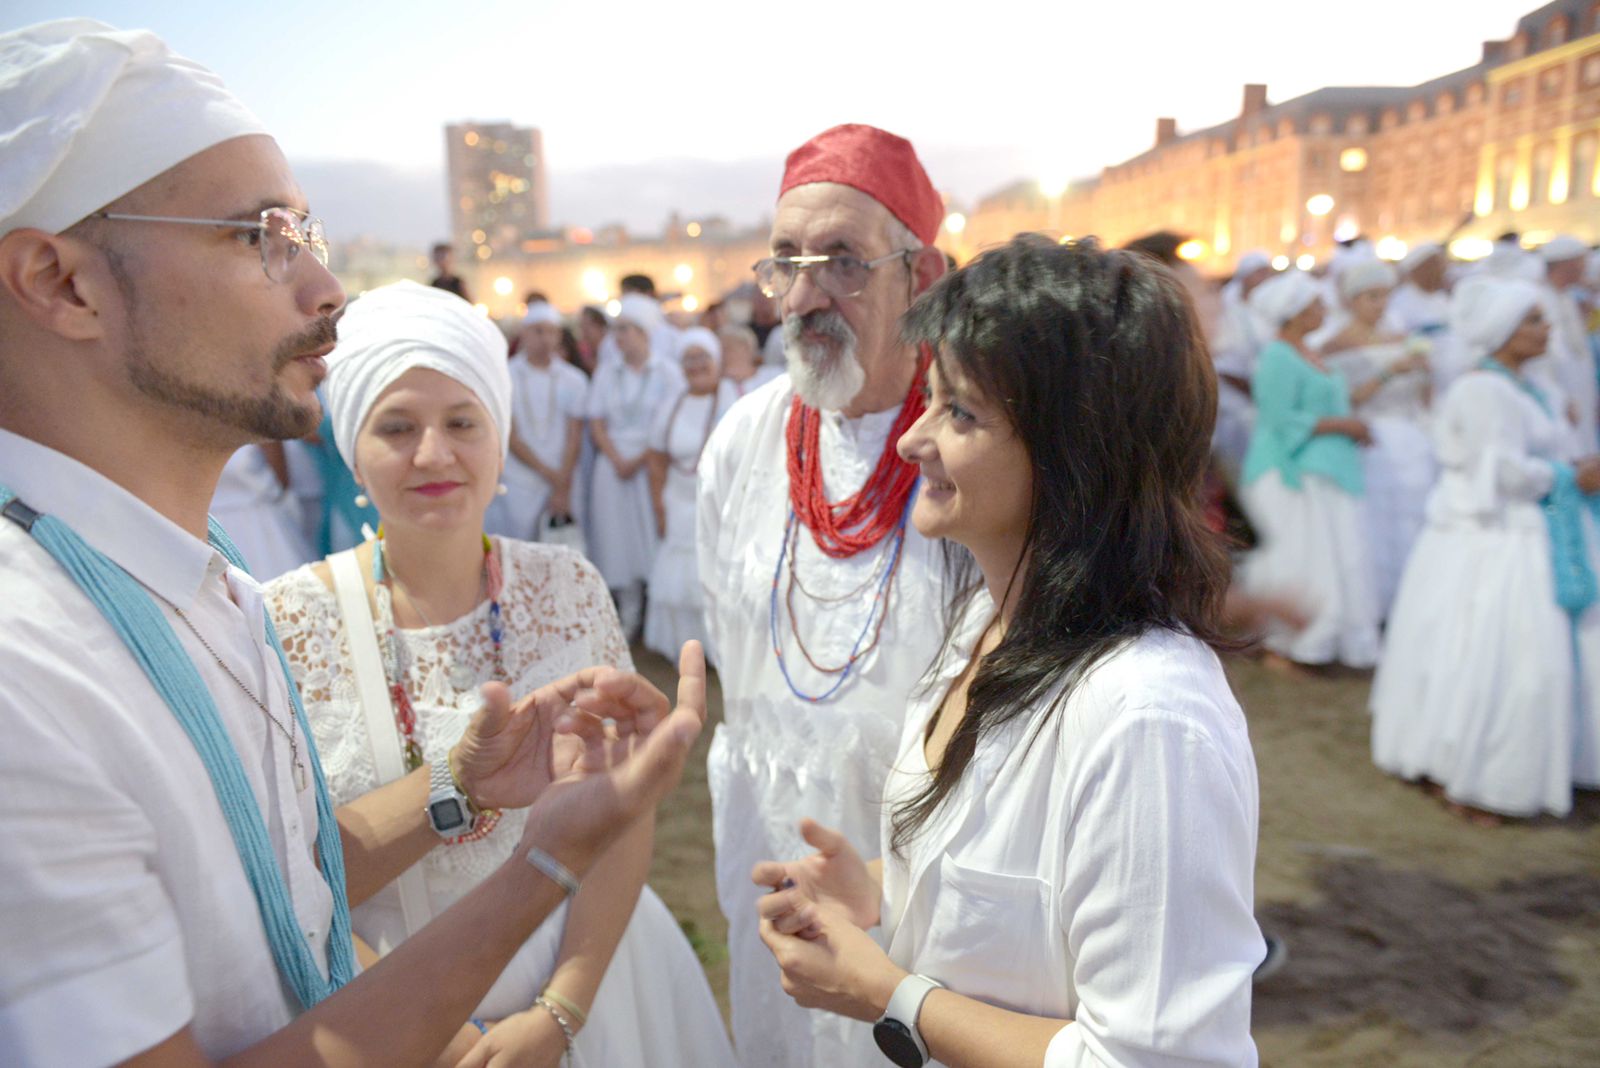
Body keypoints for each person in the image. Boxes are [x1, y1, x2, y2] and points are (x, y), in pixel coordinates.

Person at [0, 20, 704, 1066]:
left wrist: (460, 787)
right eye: (258, 236)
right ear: (64, 284)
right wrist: (539, 871)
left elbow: (287, 884)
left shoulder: (211, 591)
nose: (326, 292)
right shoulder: (29, 675)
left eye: (308, 234)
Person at [753, 236, 1261, 1067]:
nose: (913, 441)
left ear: (1073, 452)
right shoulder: (984, 623)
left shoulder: (1148, 719)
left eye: (960, 413)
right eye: (931, 401)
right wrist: (879, 887)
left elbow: (1156, 1059)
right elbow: (1022, 893)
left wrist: (887, 995)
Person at [264, 281, 735, 1065]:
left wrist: (561, 1012)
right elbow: (291, 881)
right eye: (397, 427)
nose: (433, 454)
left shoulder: (567, 586)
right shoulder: (288, 620)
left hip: (593, 981)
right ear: (353, 448)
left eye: (461, 423)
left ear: (498, 434)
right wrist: (438, 1034)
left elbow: (620, 814)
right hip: (392, 1007)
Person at [697, 123, 950, 1067]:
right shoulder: (743, 439)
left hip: (919, 845)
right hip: (766, 810)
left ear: (921, 277)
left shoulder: (969, 443)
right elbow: (726, 627)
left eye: (842, 261)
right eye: (787, 262)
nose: (805, 295)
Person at [1373, 276, 1600, 823]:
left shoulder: (1529, 387)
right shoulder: (1482, 390)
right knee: (1493, 657)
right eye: (1533, 321)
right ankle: (1470, 771)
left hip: (1534, 531)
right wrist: (1572, 474)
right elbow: (1496, 475)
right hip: (1491, 543)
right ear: (1502, 332)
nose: (1547, 331)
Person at [1237, 271, 1380, 668]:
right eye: (1315, 304)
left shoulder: (1309, 352)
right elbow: (1279, 419)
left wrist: (1353, 424)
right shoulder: (1277, 356)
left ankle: (1337, 642)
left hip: (1326, 468)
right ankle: (1285, 643)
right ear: (1294, 313)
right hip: (1289, 470)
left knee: (1336, 557)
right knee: (1298, 557)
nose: (1323, 310)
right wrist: (1342, 425)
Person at [1319, 258, 1436, 616]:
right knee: (1379, 523)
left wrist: (1423, 374)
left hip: (1411, 435)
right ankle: (1380, 606)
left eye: (1385, 296)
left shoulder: (1401, 336)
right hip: (1372, 437)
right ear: (1352, 300)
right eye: (1372, 297)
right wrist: (1389, 372)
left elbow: (1423, 395)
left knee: (1417, 515)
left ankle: (1417, 600)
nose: (1381, 304)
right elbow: (1346, 399)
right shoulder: (1336, 344)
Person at [589, 294, 686, 637]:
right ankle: (626, 611)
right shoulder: (606, 371)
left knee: (650, 534)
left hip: (651, 466)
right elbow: (596, 421)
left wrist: (643, 457)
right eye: (617, 329)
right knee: (617, 539)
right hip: (613, 467)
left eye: (626, 329)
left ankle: (655, 615)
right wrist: (617, 458)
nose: (619, 336)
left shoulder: (669, 372)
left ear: (645, 332)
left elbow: (672, 421)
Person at [645, 327, 735, 663]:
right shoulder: (671, 404)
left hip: (718, 500)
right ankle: (682, 647)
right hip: (677, 497)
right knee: (679, 572)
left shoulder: (732, 399)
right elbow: (656, 457)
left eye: (703, 357)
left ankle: (718, 651)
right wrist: (658, 503)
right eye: (689, 358)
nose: (696, 365)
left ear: (716, 360)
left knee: (713, 570)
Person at [486, 301, 588, 542]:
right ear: (524, 333)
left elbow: (575, 434)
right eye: (538, 331)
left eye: (552, 332)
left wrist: (562, 482)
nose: (546, 339)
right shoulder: (505, 375)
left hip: (566, 478)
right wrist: (550, 475)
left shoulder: (574, 379)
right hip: (520, 481)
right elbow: (510, 435)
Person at [719, 322, 781, 396]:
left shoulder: (774, 374)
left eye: (729, 347)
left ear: (747, 347)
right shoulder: (719, 386)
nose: (724, 354)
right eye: (720, 349)